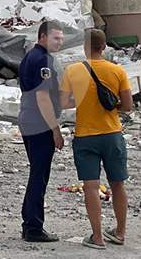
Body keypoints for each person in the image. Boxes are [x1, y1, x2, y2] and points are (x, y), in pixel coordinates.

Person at [60, 29, 133, 249]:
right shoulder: (118, 71)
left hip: (86, 136)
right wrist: (111, 104)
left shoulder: (72, 70)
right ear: (104, 47)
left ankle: (98, 237)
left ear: (84, 46)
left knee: (91, 187)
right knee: (118, 184)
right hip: (112, 134)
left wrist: (84, 100)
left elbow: (63, 103)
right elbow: (128, 106)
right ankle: (120, 233)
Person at [18, 20, 66, 243]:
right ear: (43, 37)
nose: (60, 42)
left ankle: (30, 223)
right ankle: (33, 228)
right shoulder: (42, 60)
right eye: (56, 38)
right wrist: (55, 129)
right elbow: (42, 96)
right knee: (39, 175)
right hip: (39, 124)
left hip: (28, 120)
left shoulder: (31, 56)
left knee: (37, 173)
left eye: (61, 38)